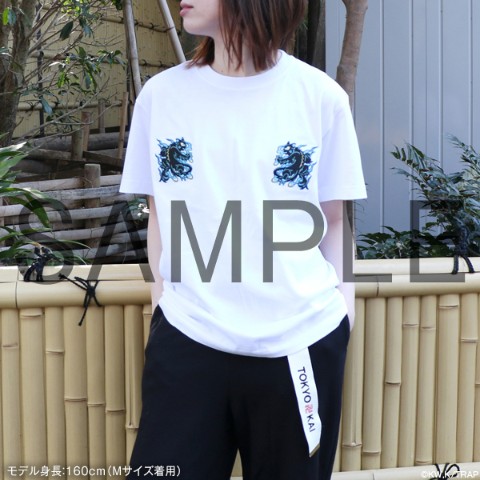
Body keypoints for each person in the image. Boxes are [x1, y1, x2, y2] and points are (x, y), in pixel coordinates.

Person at [120, 0, 367, 478]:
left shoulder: (320, 97)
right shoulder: (161, 96)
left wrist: (344, 316)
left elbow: (334, 221)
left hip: (300, 342)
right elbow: (159, 213)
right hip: (187, 337)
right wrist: (161, 304)